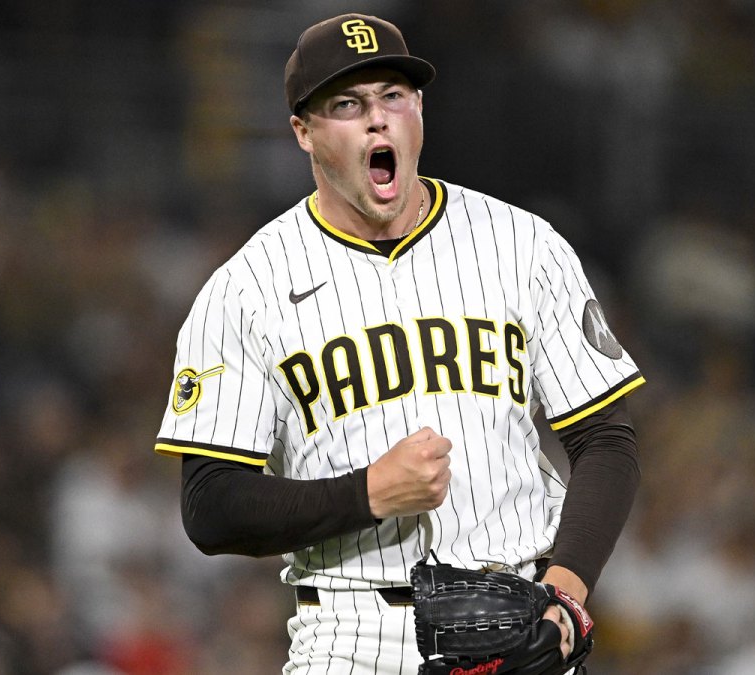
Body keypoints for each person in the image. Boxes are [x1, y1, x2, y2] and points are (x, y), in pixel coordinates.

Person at [153, 13, 645, 673]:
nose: (378, 119)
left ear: (420, 110)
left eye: (395, 95)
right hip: (351, 636)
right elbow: (210, 503)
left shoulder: (524, 245)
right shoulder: (246, 288)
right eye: (348, 104)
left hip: (524, 624)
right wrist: (368, 493)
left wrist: (568, 593)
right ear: (304, 131)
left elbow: (606, 439)